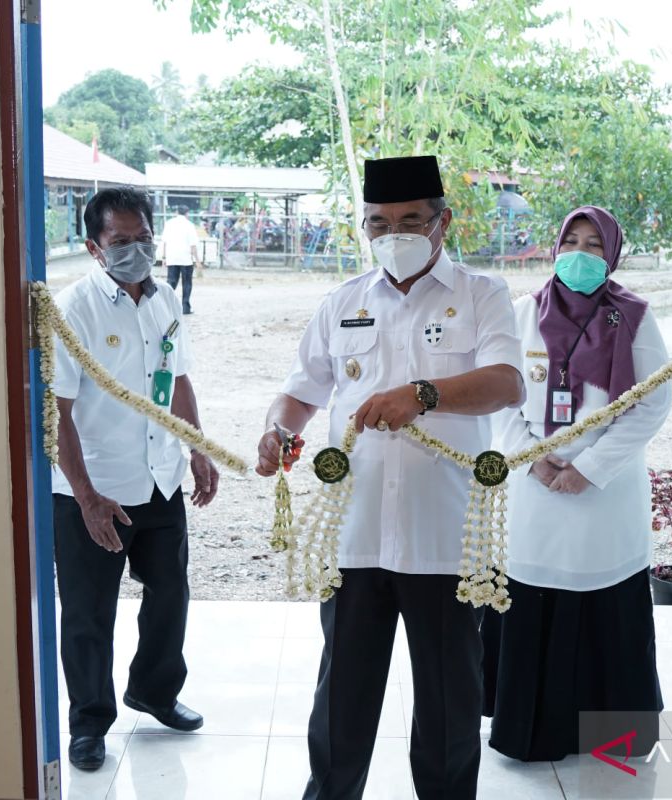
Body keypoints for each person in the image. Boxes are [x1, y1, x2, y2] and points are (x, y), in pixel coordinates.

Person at [256, 155, 524, 799]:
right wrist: (279, 430)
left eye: (409, 220)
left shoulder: (481, 295)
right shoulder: (343, 301)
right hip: (356, 536)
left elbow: (506, 384)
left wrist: (424, 393)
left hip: (444, 538)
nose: (393, 235)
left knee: (447, 704)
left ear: (442, 222)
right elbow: (302, 390)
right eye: (379, 223)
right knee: (342, 698)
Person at [482, 205, 672, 761]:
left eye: (594, 245)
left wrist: (588, 469)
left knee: (605, 604)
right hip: (534, 491)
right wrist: (531, 459)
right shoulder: (521, 313)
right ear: (554, 246)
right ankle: (531, 732)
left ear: (612, 255)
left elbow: (651, 403)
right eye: (573, 241)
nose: (581, 255)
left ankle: (610, 737)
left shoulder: (633, 317)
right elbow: (500, 394)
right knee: (532, 601)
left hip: (604, 495)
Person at [52, 187, 220, 771]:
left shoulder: (165, 299)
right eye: (119, 242)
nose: (135, 250)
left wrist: (197, 447)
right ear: (93, 247)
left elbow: (179, 378)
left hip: (159, 479)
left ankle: (154, 691)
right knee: (88, 610)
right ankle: (89, 722)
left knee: (170, 593)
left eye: (142, 238)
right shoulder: (73, 309)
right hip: (93, 490)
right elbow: (58, 412)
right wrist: (87, 498)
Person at [161, 205, 201, 314]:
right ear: (187, 213)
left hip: (172, 257)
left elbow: (164, 242)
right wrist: (197, 261)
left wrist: (164, 257)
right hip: (186, 259)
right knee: (187, 283)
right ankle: (185, 307)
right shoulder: (190, 225)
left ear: (176, 212)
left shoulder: (169, 224)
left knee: (171, 282)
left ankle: (165, 305)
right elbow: (193, 245)